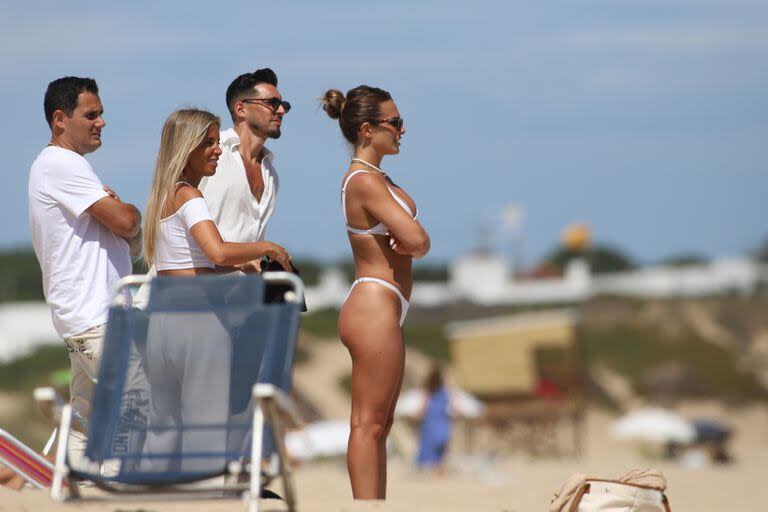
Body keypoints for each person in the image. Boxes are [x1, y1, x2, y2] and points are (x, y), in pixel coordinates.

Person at [141, 108, 290, 470]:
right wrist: (268, 249)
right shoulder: (190, 196)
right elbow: (218, 249)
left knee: (161, 432)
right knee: (204, 435)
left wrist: (237, 264)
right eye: (207, 143)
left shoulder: (163, 196)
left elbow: (190, 262)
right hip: (199, 323)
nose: (218, 150)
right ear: (186, 148)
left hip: (161, 324)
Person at [320, 85, 430, 499]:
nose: (403, 130)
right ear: (367, 130)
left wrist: (417, 241)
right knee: (367, 425)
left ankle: (375, 505)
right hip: (374, 303)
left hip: (384, 304)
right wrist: (417, 241)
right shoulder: (364, 181)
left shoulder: (378, 178)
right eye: (395, 123)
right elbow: (417, 241)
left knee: (380, 425)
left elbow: (416, 241)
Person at [28, 77, 142, 461]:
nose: (101, 122)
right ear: (61, 119)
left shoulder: (55, 165)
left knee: (85, 424)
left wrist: (122, 217)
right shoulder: (62, 163)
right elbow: (126, 223)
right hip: (98, 317)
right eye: (91, 114)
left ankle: (67, 493)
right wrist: (130, 211)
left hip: (83, 318)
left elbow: (120, 233)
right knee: (140, 411)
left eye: (101, 113)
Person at [199, 68, 289, 262]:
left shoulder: (270, 173)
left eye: (283, 105)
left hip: (237, 288)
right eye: (272, 103)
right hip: (185, 285)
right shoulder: (207, 151)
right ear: (241, 109)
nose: (281, 111)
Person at [415, 366, 453, 472]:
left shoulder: (429, 390)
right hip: (441, 420)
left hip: (431, 420)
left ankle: (432, 466)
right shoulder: (445, 391)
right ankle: (437, 465)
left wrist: (418, 416)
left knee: (429, 443)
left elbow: (423, 406)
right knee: (440, 443)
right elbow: (452, 406)